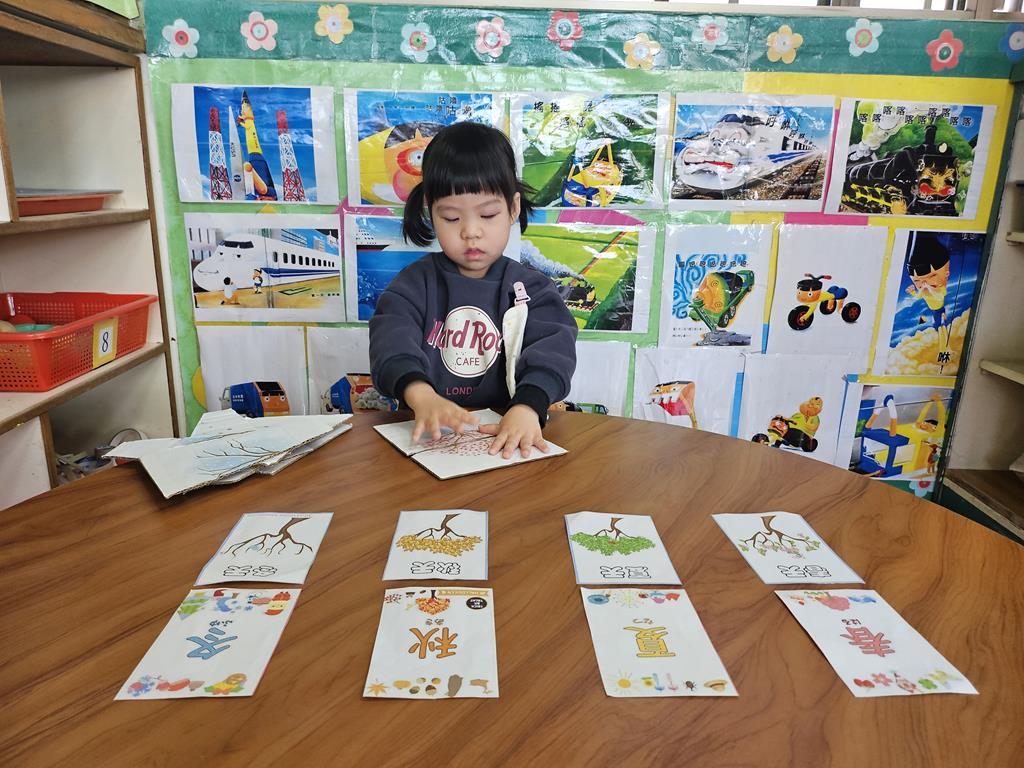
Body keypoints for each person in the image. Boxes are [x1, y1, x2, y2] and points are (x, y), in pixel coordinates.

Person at [369, 122, 577, 459]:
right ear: (430, 212)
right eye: (451, 218)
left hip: (507, 437)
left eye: (488, 214)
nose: (471, 232)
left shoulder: (532, 289)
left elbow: (555, 351)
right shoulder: (413, 285)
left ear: (513, 209)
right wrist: (420, 394)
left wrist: (528, 406)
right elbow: (390, 342)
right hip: (428, 439)